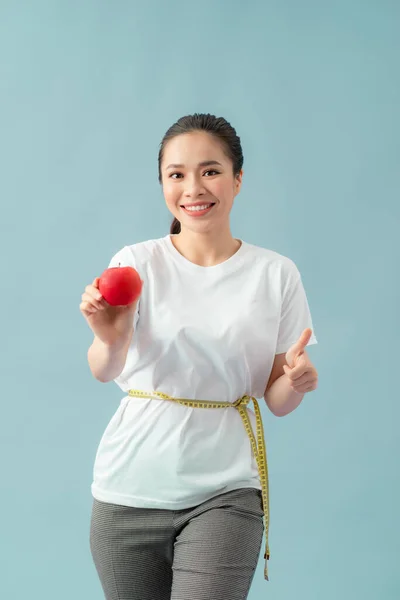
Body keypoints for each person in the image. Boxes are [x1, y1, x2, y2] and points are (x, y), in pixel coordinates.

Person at [80, 113, 319, 600]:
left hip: (226, 491)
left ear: (237, 179)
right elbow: (105, 371)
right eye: (177, 174)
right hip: (127, 490)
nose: (194, 187)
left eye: (210, 171)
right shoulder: (135, 262)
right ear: (163, 183)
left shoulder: (275, 273)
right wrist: (109, 338)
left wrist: (294, 381)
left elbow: (276, 400)